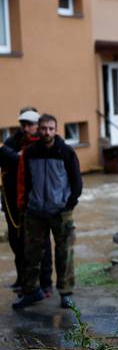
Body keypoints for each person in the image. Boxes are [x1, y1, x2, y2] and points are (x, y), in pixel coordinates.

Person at [12, 114, 82, 309]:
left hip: (60, 211)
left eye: (50, 128)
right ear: (38, 129)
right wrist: (24, 206)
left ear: (56, 129)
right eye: (43, 128)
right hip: (35, 212)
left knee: (64, 254)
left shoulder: (66, 152)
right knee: (31, 254)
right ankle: (31, 291)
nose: (47, 132)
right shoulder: (30, 152)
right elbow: (25, 181)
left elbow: (77, 182)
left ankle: (66, 293)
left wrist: (69, 204)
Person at [0, 107, 53, 297]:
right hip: (12, 202)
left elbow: (18, 161)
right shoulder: (13, 141)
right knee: (16, 242)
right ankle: (22, 280)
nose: (25, 127)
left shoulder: (42, 143)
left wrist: (4, 151)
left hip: (35, 203)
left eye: (29, 124)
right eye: (23, 123)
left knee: (42, 244)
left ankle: (45, 284)